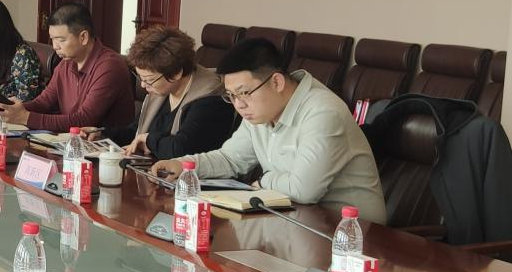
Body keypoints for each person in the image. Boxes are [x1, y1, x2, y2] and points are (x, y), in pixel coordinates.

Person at [152, 38, 387, 222]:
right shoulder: (260, 111)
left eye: (244, 93)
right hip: (294, 220)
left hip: (352, 235)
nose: (239, 104)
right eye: (231, 96)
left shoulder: (323, 112)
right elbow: (231, 158)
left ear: (276, 82)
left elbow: (304, 190)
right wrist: (183, 165)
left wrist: (264, 180)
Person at [104, 27, 236, 158]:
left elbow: (181, 148)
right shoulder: (163, 91)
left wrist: (149, 141)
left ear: (176, 73)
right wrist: (103, 134)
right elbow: (137, 132)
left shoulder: (211, 98)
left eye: (149, 80)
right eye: (141, 78)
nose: (143, 85)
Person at [2, 2, 134, 132]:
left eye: (61, 40)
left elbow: (84, 119)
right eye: (52, 39)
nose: (55, 46)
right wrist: (14, 109)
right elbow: (44, 103)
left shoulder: (109, 67)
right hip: (71, 140)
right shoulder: (66, 63)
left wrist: (26, 118)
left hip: (105, 144)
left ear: (83, 37)